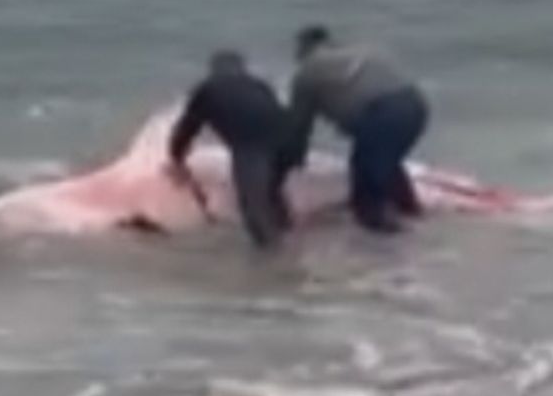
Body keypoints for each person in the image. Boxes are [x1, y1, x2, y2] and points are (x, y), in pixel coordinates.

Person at [284, 25, 429, 234]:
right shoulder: (364, 51)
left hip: (382, 113)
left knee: (365, 177)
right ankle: (410, 211)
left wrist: (291, 162)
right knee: (385, 163)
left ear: (303, 49)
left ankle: (384, 234)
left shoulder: (307, 71)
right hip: (416, 105)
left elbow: (299, 127)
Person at [167, 50, 294, 249]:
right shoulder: (258, 84)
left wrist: (176, 157)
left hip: (252, 144)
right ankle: (288, 234)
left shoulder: (207, 89)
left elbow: (187, 129)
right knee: (272, 192)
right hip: (288, 138)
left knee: (253, 205)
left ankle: (274, 259)